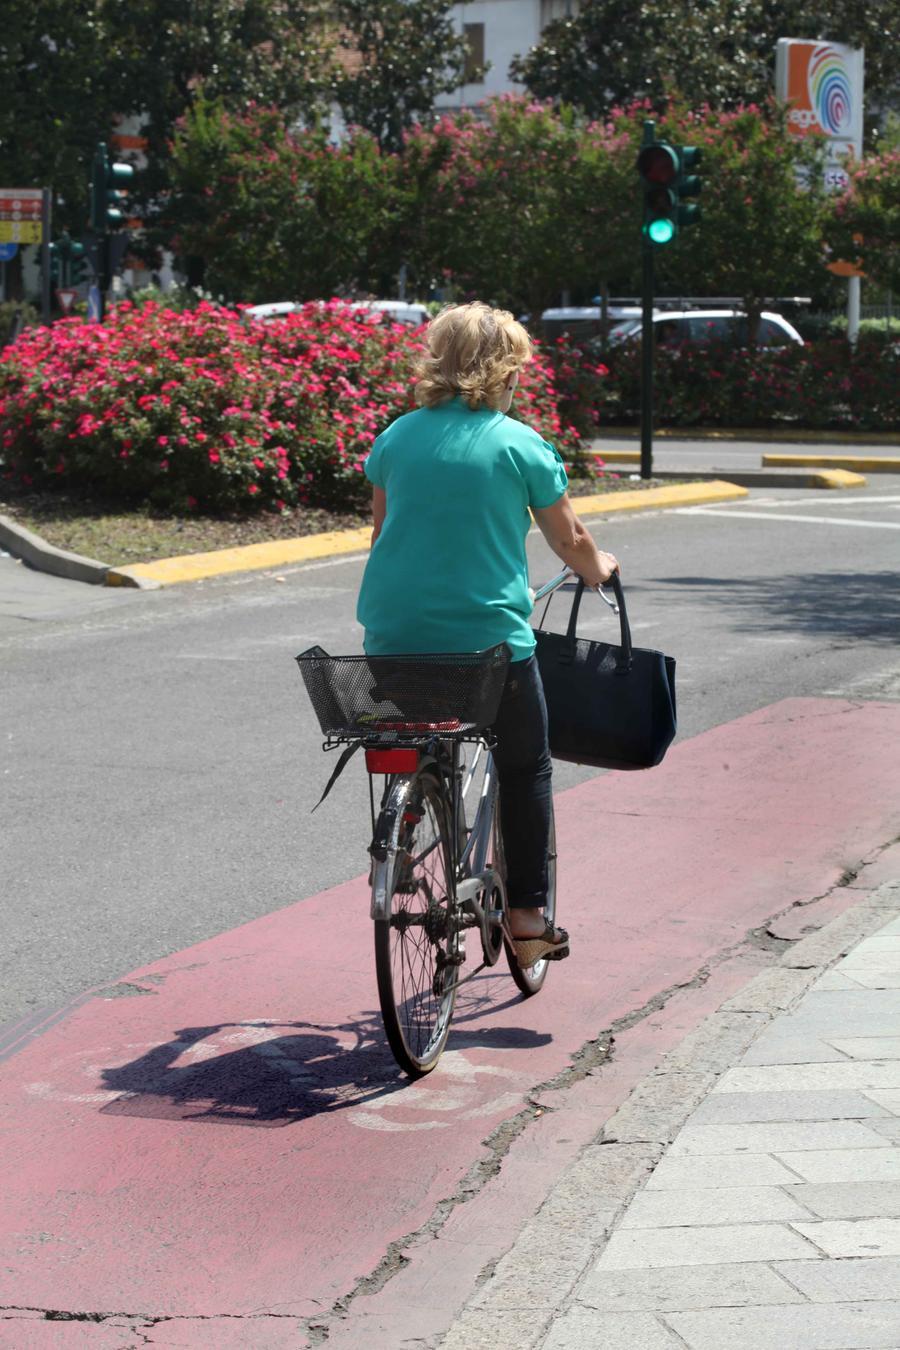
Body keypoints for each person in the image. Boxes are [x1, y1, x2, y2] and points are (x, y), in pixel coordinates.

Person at [356, 302, 618, 966]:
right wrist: (598, 570)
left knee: (421, 732)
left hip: (394, 639)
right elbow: (571, 540)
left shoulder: (395, 438)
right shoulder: (518, 443)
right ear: (505, 371)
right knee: (525, 764)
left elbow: (382, 536)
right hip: (489, 649)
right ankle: (528, 917)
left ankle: (409, 828)